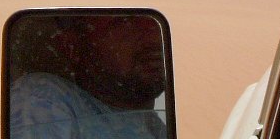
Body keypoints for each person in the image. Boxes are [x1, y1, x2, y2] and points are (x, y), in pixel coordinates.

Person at [10, 16, 167, 139]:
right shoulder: (41, 97)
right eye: (125, 23)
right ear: (72, 47)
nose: (153, 36)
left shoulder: (156, 127)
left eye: (155, 26)